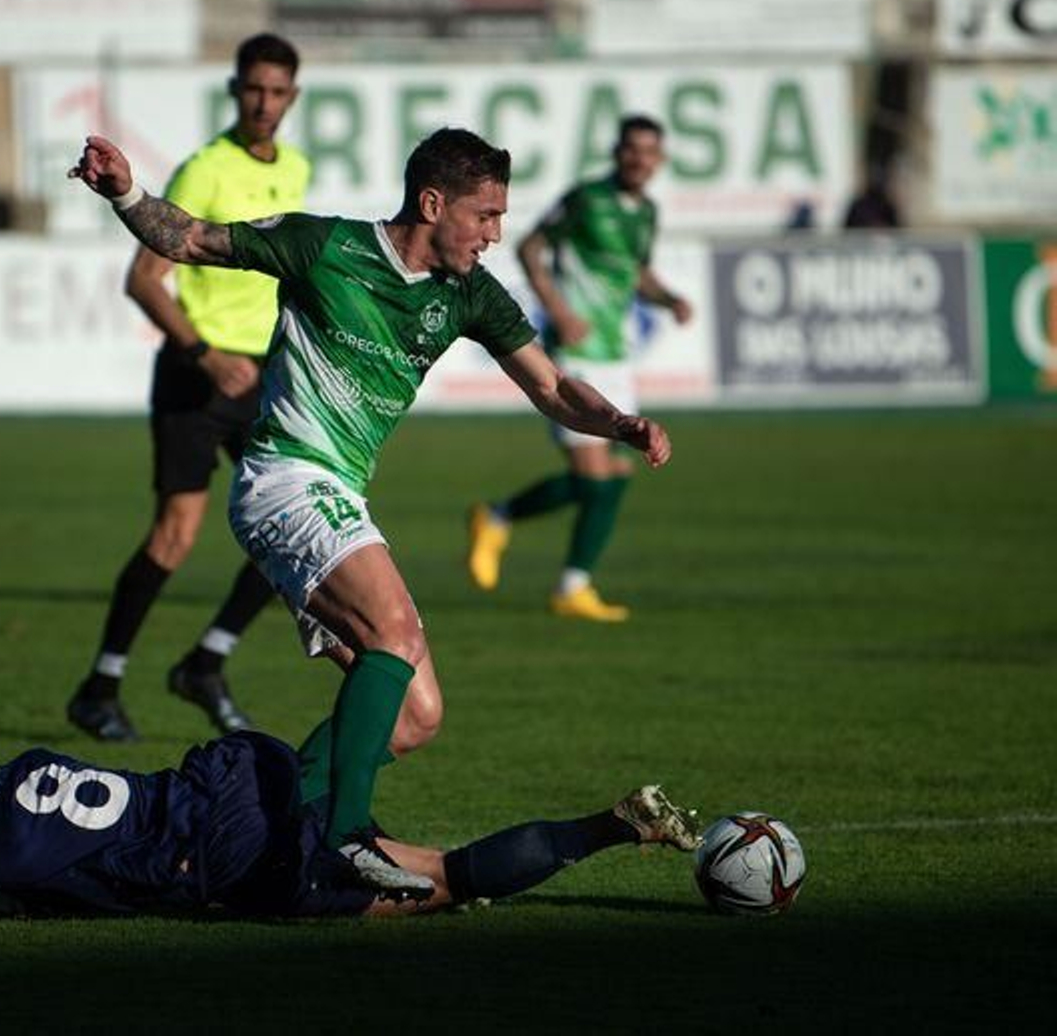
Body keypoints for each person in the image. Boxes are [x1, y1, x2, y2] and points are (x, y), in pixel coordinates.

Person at [68, 126, 674, 897]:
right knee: (395, 630)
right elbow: (185, 239)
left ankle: (290, 822)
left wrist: (618, 422)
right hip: (285, 480)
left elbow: (553, 388)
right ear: (432, 203)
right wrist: (124, 189)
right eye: (484, 215)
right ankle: (342, 835)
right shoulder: (324, 247)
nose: (496, 233)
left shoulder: (469, 294)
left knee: (416, 716)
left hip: (337, 495)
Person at [0, 732, 701, 925]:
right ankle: (607, 823)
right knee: (417, 858)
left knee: (434, 887)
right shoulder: (21, 766)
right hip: (236, 766)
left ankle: (610, 828)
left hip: (225, 853)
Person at [67, 33, 312, 744]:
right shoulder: (206, 169)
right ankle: (101, 683)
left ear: (292, 97)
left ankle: (206, 662)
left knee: (292, 526)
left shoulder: (295, 166)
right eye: (253, 88)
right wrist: (205, 355)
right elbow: (144, 280)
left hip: (262, 376)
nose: (264, 102)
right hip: (196, 373)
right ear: (234, 90)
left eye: (277, 91)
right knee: (175, 536)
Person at [467, 114, 693, 623]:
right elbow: (529, 247)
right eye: (631, 148)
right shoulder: (586, 199)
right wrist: (560, 311)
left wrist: (670, 298)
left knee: (617, 472)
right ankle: (537, 553)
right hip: (573, 354)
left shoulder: (647, 213)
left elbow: (638, 275)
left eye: (649, 151)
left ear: (660, 160)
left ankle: (551, 564)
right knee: (593, 474)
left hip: (615, 353)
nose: (639, 159)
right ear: (617, 151)